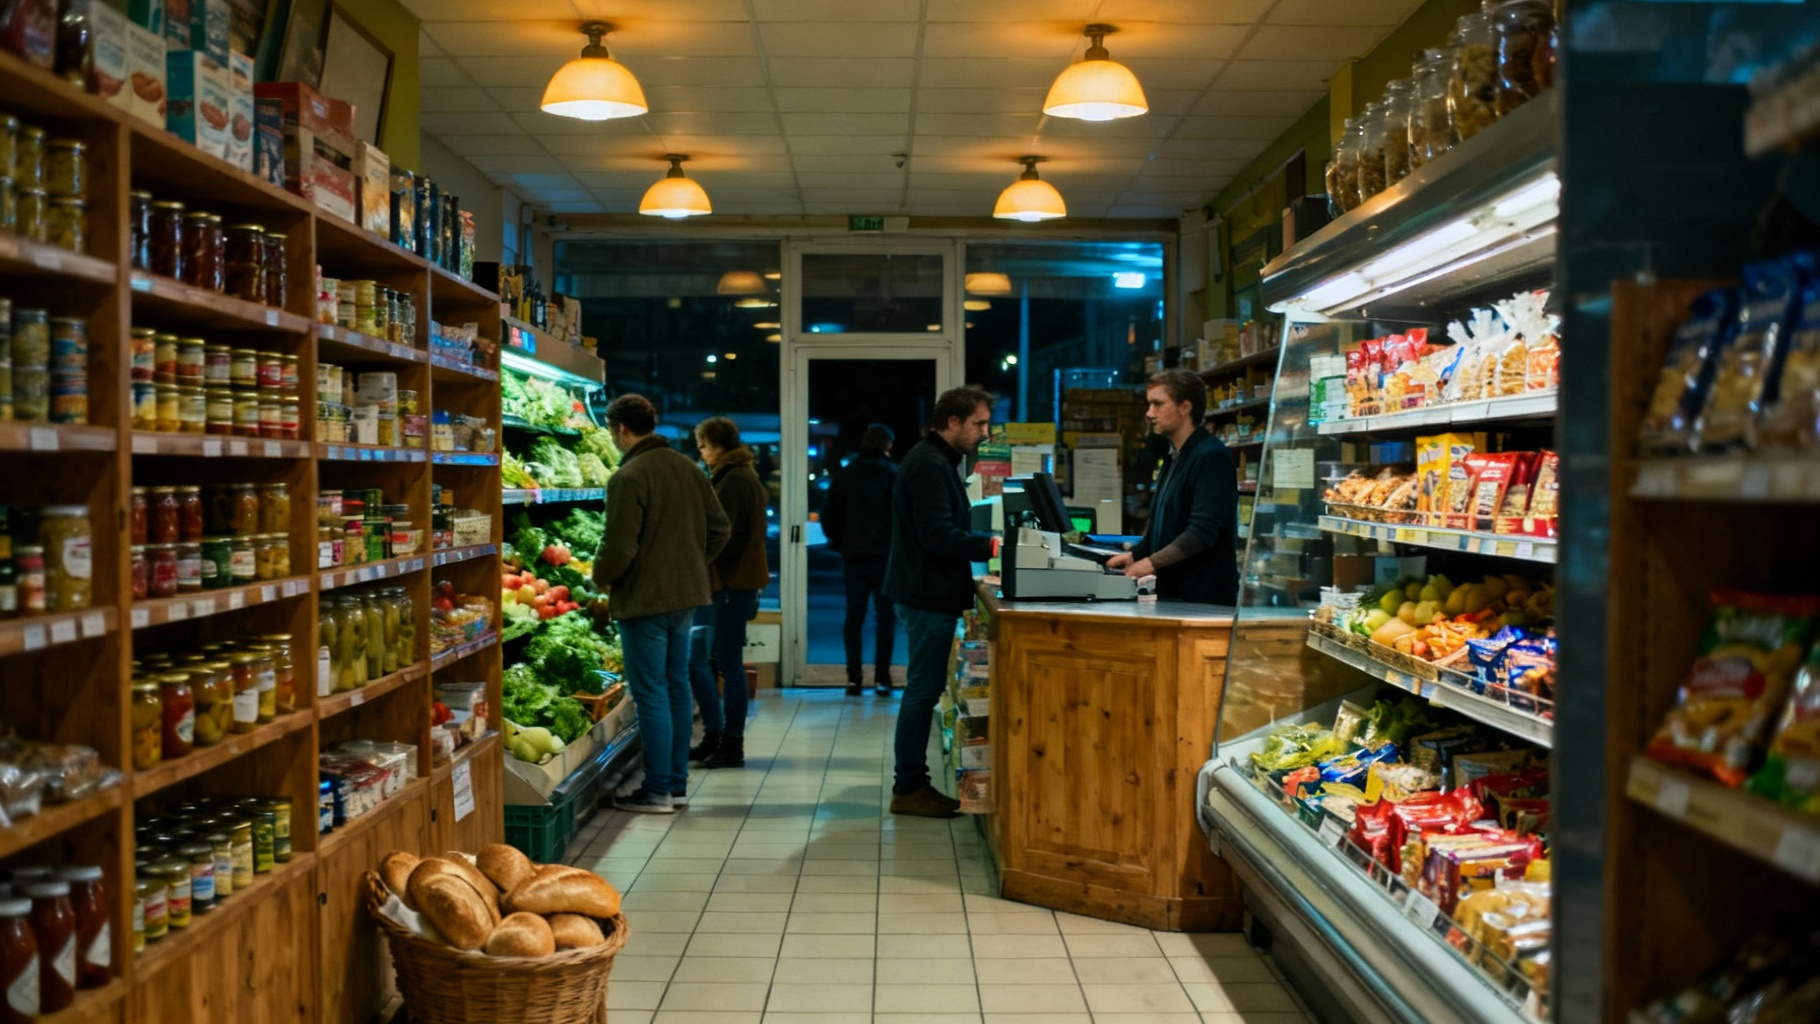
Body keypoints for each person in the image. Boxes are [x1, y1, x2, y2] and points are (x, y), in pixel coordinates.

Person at [591, 394, 731, 814]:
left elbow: (618, 546)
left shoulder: (629, 476)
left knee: (650, 692)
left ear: (620, 430)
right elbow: (720, 529)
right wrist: (691, 562)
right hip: (686, 596)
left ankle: (656, 792)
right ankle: (675, 785)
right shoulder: (690, 468)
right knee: (675, 686)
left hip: (645, 601)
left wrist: (599, 578)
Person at [882, 385, 999, 819]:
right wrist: (991, 545)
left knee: (921, 688)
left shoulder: (935, 460)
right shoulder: (930, 465)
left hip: (923, 591)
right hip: (926, 594)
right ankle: (909, 786)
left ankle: (910, 783)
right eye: (978, 424)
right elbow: (937, 535)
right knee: (922, 691)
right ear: (952, 421)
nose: (985, 433)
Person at [1107, 368, 1240, 605]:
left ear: (1185, 407)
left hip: (1203, 601)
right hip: (1177, 596)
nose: (1149, 413)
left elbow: (1201, 533)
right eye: (1149, 405)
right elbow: (1163, 525)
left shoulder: (1210, 457)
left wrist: (1150, 563)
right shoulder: (1175, 457)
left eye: (1158, 404)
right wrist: (1134, 555)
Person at [685, 416, 770, 770]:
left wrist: (697, 555)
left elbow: (728, 538)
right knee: (708, 660)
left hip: (730, 584)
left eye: (703, 445)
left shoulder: (733, 480)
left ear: (718, 445)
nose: (701, 453)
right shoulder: (739, 476)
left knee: (727, 663)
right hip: (733, 584)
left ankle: (730, 742)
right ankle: (717, 735)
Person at [820, 423, 898, 697]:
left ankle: (854, 679)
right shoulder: (893, 475)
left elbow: (829, 516)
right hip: (886, 559)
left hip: (853, 557)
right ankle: (883, 678)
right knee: (885, 618)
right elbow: (903, 519)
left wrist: (840, 544)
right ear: (888, 445)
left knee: (854, 617)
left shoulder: (846, 475)